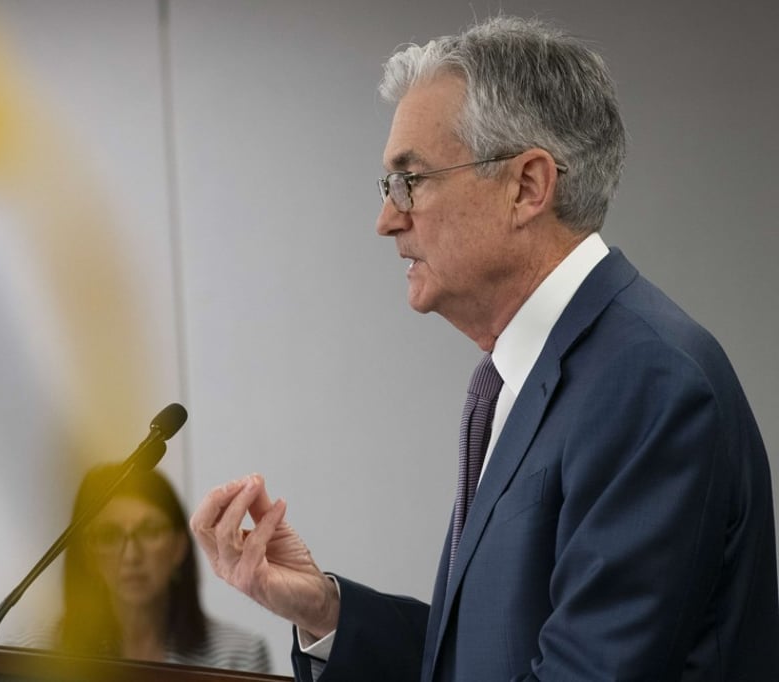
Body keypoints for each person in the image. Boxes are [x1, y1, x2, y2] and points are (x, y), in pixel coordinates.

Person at [189, 15, 779, 681]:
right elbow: (479, 659)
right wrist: (325, 609)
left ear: (526, 187)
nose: (386, 219)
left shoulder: (649, 382)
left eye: (411, 180)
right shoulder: (512, 382)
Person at [15, 464, 272, 672]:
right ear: (87, 553)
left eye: (149, 532)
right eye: (109, 535)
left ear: (179, 546)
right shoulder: (35, 654)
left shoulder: (238, 656)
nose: (131, 555)